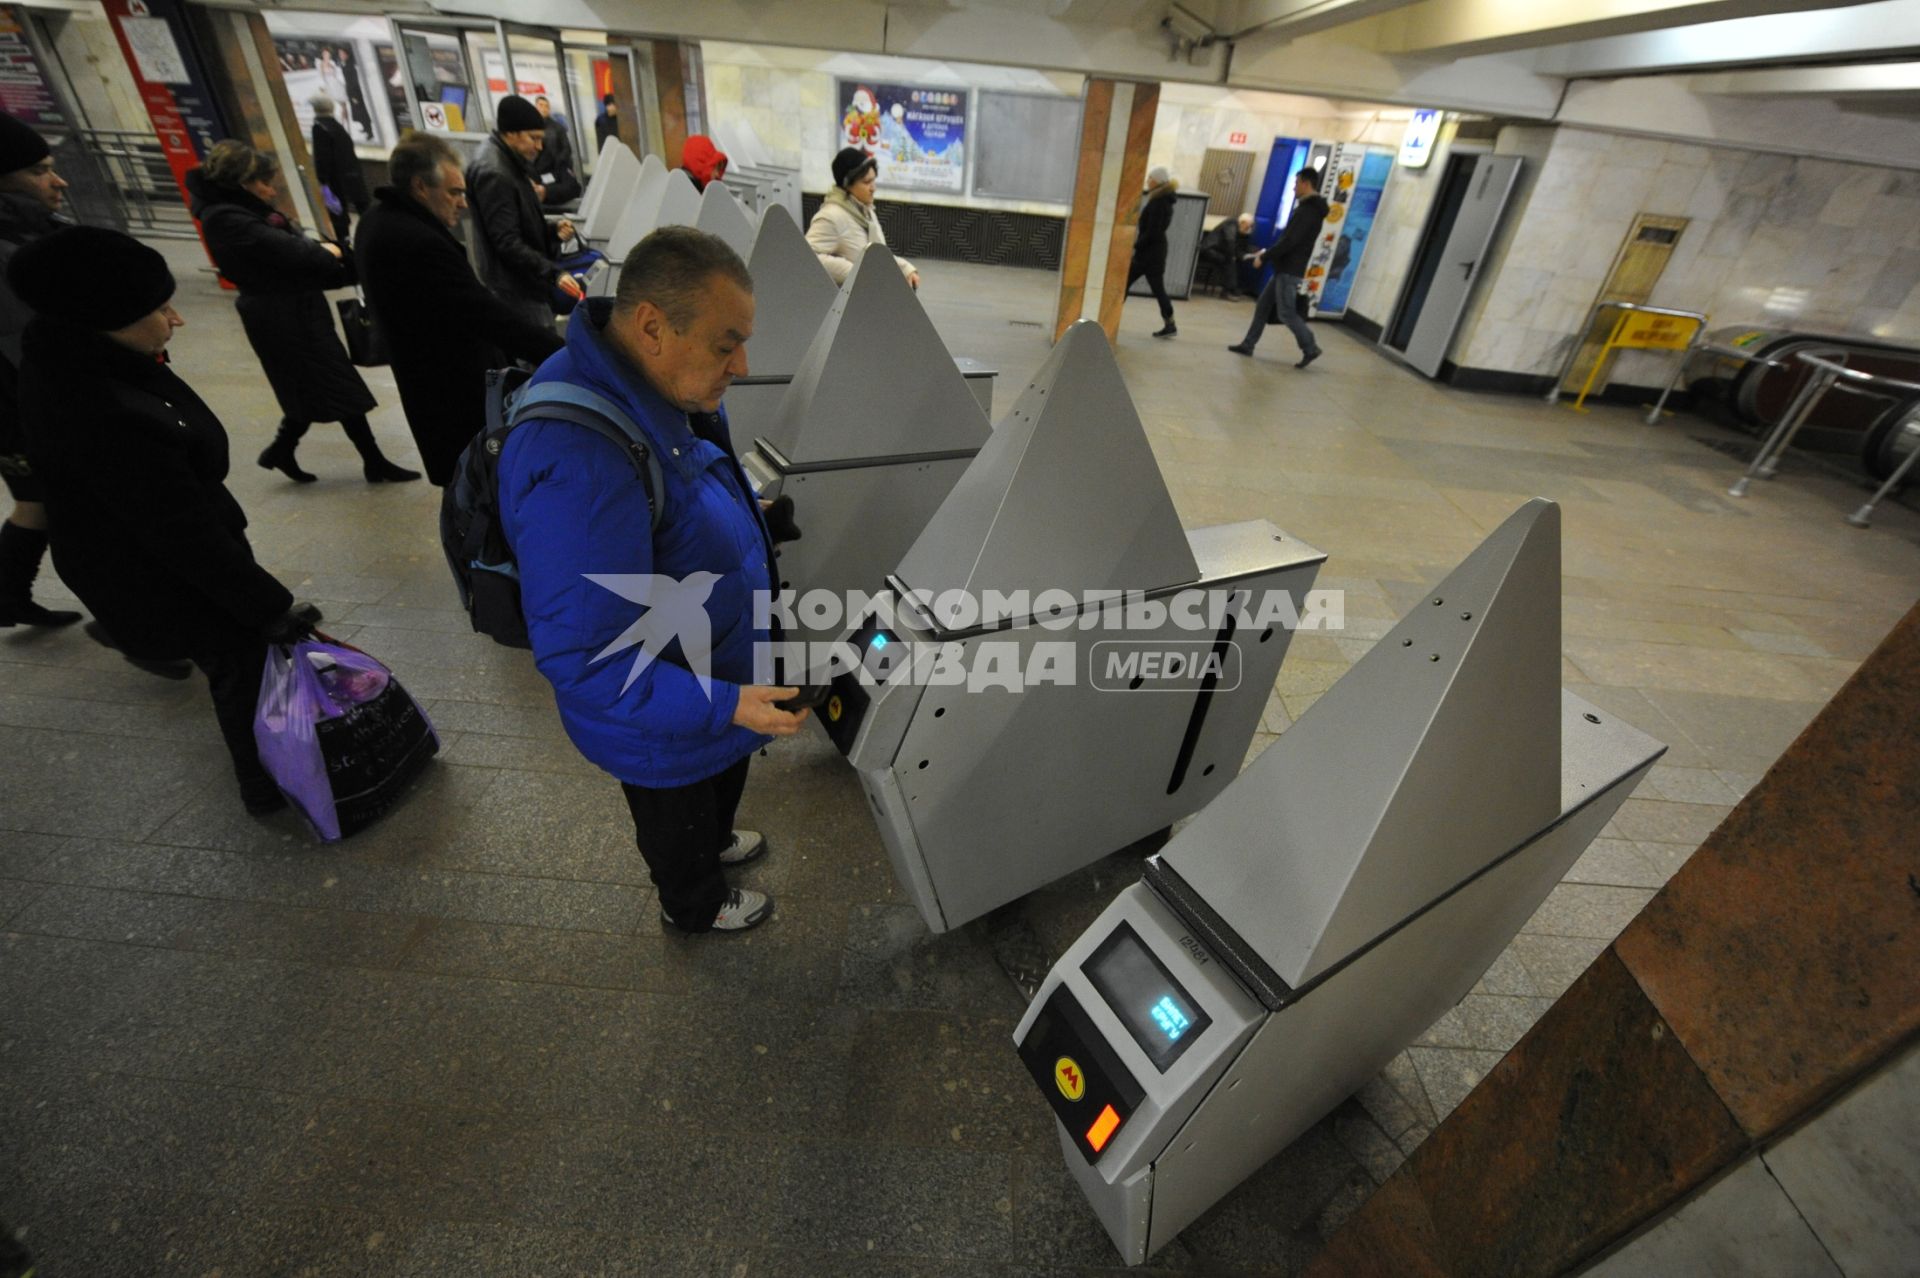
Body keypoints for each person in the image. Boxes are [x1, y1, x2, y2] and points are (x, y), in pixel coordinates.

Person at [499, 226, 803, 934]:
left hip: (707, 668)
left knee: (714, 787)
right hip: (664, 710)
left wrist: (749, 518)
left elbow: (674, 497)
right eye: (727, 344)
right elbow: (588, 657)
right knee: (676, 810)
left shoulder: (654, 385)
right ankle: (691, 902)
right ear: (652, 326)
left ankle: (715, 840)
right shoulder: (577, 460)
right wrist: (726, 702)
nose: (744, 364)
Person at [7, 226, 320, 814]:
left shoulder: (82, 359)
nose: (176, 319)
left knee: (233, 661)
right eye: (159, 307)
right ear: (104, 318)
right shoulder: (104, 408)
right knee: (239, 666)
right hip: (158, 574)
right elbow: (181, 532)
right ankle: (267, 789)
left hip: (146, 560)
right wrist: (269, 606)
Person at [187, 141, 417, 485]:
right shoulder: (228, 219)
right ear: (241, 183)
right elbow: (297, 253)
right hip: (279, 315)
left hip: (293, 308)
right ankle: (374, 462)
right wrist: (329, 252)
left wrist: (334, 255)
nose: (271, 189)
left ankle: (283, 449)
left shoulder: (245, 213)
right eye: (263, 182)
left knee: (311, 389)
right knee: (334, 385)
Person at [356, 130, 564, 485]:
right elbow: (484, 314)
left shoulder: (375, 221)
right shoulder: (417, 242)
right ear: (421, 187)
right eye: (454, 192)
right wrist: (565, 352)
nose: (463, 203)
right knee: (478, 484)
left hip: (427, 386)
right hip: (454, 393)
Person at [0, 110, 79, 630]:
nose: (58, 180)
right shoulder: (8, 251)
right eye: (39, 171)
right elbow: (28, 345)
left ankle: (8, 597)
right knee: (70, 504)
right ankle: (134, 627)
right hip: (22, 407)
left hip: (21, 407)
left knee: (38, 503)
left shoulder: (29, 234)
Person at [465, 94, 583, 332]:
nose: (539, 147)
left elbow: (514, 221)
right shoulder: (495, 172)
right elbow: (506, 241)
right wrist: (553, 273)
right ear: (511, 133)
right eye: (534, 138)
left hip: (521, 284)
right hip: (516, 289)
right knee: (539, 352)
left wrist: (550, 229)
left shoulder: (507, 161)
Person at [1229, 168, 1327, 368]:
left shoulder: (1308, 211)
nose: (1293, 187)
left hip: (1290, 268)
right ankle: (1249, 344)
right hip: (1285, 267)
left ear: (1306, 184)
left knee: (1286, 312)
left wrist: (1264, 257)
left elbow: (1290, 241)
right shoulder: (1308, 209)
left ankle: (1310, 347)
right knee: (1263, 306)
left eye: (1297, 183)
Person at [807, 147, 918, 290]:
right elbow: (809, 257)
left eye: (873, 180)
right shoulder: (831, 216)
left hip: (872, 295)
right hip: (850, 303)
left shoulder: (866, 211)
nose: (873, 188)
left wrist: (906, 269)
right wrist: (855, 273)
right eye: (866, 182)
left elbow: (879, 255)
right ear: (848, 185)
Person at [308, 93, 369, 243]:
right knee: (362, 208)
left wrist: (323, 182)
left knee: (338, 215)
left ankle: (344, 243)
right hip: (352, 174)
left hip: (336, 179)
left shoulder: (320, 128)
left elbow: (322, 158)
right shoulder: (335, 125)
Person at [1128, 166, 1178, 338]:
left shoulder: (1159, 202)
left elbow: (1153, 231)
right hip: (1154, 252)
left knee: (1124, 282)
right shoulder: (1162, 199)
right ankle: (1170, 324)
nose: (1148, 180)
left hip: (1149, 253)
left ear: (1157, 181)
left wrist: (1137, 245)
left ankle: (1107, 318)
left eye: (1150, 178)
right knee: (1158, 289)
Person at [531, 94, 581, 206]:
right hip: (538, 172)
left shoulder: (557, 128)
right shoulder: (529, 128)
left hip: (557, 169)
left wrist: (560, 162)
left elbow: (566, 148)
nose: (544, 108)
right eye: (540, 105)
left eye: (546, 106)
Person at [1198, 213, 1256, 297]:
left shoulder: (1238, 227)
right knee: (1228, 261)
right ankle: (1228, 291)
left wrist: (1243, 256)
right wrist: (1232, 256)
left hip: (1218, 250)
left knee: (1231, 261)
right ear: (1242, 222)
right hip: (1209, 249)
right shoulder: (1231, 223)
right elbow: (1230, 241)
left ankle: (1231, 288)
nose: (1248, 229)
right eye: (1248, 226)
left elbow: (1237, 247)